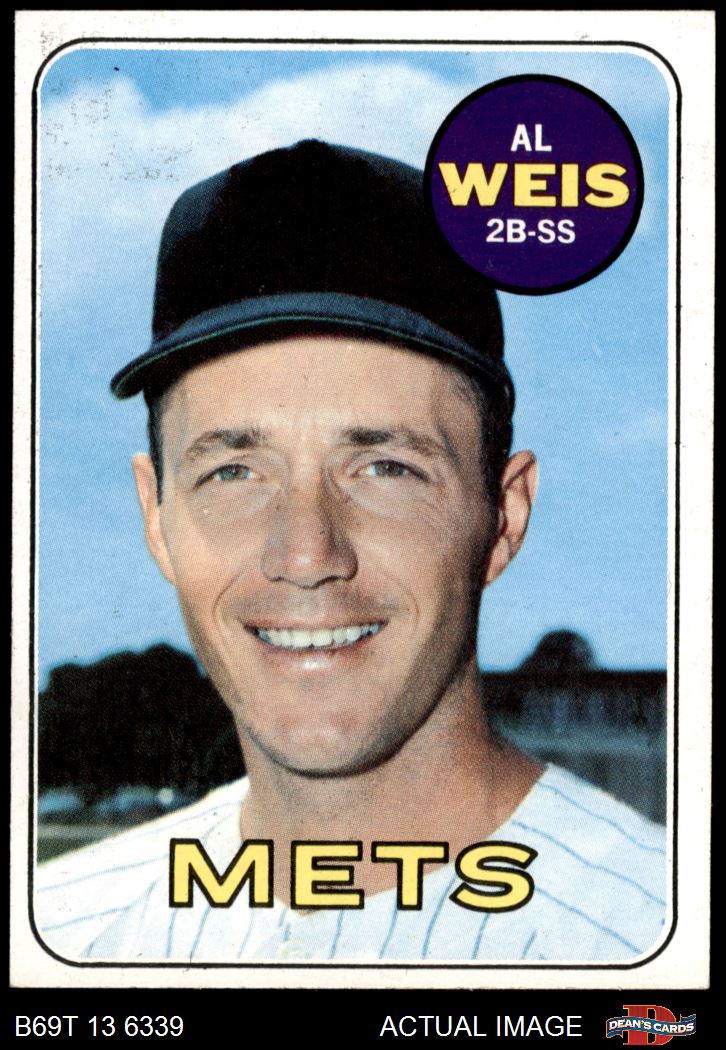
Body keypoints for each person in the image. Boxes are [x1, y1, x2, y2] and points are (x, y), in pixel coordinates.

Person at [35, 140, 666, 964]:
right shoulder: (57, 933)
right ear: (157, 517)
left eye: (385, 468)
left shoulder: (657, 935)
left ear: (504, 515)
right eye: (234, 471)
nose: (305, 554)